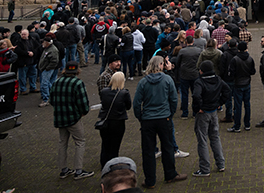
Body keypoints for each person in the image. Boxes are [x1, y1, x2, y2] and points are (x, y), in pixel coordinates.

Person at [133, 56, 187, 188]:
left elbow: (136, 103)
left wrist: (141, 116)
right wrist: (170, 113)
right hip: (164, 118)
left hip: (148, 120)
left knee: (148, 151)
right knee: (168, 147)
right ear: (161, 65)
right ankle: (170, 174)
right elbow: (174, 99)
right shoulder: (167, 79)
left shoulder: (143, 82)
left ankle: (150, 180)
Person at [52, 61, 94, 180]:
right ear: (77, 70)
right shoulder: (77, 83)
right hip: (73, 118)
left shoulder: (56, 82)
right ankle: (78, 170)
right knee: (80, 142)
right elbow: (83, 102)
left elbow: (51, 100)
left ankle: (63, 169)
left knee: (62, 142)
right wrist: (83, 112)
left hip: (60, 117)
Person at [192, 60, 230, 176]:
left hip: (203, 113)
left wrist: (198, 108)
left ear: (202, 71)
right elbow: (227, 91)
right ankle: (221, 164)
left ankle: (204, 169)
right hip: (213, 112)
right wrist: (219, 103)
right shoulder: (218, 79)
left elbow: (196, 95)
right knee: (215, 137)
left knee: (202, 140)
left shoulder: (199, 82)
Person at [98, 72, 132, 169]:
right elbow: (128, 106)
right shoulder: (124, 93)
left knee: (105, 145)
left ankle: (104, 164)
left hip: (105, 120)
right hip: (118, 121)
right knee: (115, 146)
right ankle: (113, 166)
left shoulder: (104, 91)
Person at [229, 41, 256, 133]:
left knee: (238, 106)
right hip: (247, 83)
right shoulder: (250, 59)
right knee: (247, 104)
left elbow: (231, 73)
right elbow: (253, 72)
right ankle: (247, 124)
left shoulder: (235, 59)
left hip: (237, 84)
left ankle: (237, 126)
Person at [38, 36, 61, 107]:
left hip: (47, 69)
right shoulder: (47, 48)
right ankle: (53, 94)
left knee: (44, 83)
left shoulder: (52, 50)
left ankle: (46, 99)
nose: (42, 43)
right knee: (47, 83)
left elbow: (54, 61)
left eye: (44, 42)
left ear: (47, 43)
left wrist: (47, 68)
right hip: (45, 68)